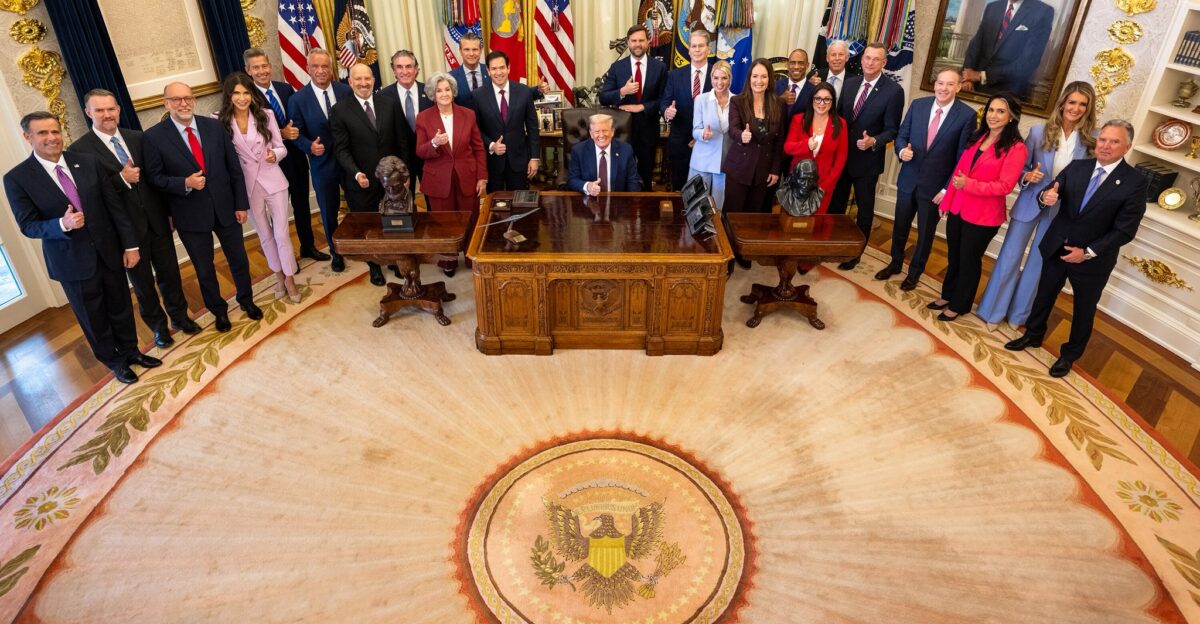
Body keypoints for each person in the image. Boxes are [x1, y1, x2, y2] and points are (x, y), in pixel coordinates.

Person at [5, 112, 161, 383]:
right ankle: (115, 362)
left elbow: (114, 206)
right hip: (71, 262)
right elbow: (28, 225)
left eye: (55, 131)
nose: (52, 138)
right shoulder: (17, 178)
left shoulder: (87, 162)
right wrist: (61, 224)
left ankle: (131, 352)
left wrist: (130, 245)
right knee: (93, 316)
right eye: (43, 133)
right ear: (28, 137)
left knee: (121, 306)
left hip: (109, 252)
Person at [1005, 120, 1146, 378]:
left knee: (1083, 310)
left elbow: (1125, 230)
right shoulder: (1078, 166)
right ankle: (1033, 334)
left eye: (1114, 141)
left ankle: (1069, 355)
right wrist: (1045, 196)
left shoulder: (1135, 182)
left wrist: (1088, 252)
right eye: (1103, 139)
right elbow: (1053, 189)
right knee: (1044, 295)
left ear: (1127, 147)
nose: (1105, 145)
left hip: (1092, 260)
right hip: (1058, 247)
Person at [71, 89, 201, 347]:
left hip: (157, 221)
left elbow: (156, 178)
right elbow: (91, 196)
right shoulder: (79, 151)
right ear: (88, 113)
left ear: (119, 110)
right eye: (100, 110)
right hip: (124, 232)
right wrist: (121, 179)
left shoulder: (139, 138)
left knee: (170, 273)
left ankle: (179, 317)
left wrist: (168, 213)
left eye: (111, 109)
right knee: (142, 284)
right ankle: (158, 327)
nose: (107, 114)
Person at [143, 82, 262, 332]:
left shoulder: (215, 126)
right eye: (177, 99)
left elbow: (234, 168)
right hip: (190, 215)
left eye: (188, 98)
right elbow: (154, 178)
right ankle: (219, 311)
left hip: (226, 208)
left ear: (194, 100)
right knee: (205, 269)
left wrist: (240, 204)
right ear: (166, 103)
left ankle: (247, 300)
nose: (183, 103)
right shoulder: (154, 137)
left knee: (239, 259)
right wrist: (184, 183)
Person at [977, 81, 1097, 330]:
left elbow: (1090, 179)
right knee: (1009, 258)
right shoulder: (1038, 132)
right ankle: (992, 312)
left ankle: (1018, 316)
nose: (1075, 108)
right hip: (1030, 203)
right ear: (1062, 103)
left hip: (1062, 211)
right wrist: (1027, 176)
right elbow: (1020, 168)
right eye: (1072, 102)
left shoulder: (1092, 140)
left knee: (1038, 264)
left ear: (1088, 108)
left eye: (1082, 104)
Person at [927, 92, 1027, 323]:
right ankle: (947, 295)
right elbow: (959, 171)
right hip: (958, 208)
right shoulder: (978, 136)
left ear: (1012, 117)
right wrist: (948, 200)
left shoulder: (1016, 148)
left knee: (969, 261)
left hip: (984, 216)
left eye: (1000, 111)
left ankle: (960, 304)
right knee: (954, 256)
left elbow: (1005, 186)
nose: (993, 115)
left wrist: (969, 184)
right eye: (991, 110)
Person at [875, 68, 976, 291]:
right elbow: (902, 136)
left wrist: (947, 189)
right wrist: (902, 151)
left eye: (949, 84)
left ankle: (914, 273)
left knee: (925, 235)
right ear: (935, 84)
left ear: (959, 87)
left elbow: (962, 159)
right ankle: (895, 263)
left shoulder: (966, 116)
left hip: (935, 189)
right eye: (940, 83)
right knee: (900, 226)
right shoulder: (918, 105)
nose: (943, 88)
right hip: (908, 180)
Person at [219, 72, 301, 304]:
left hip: (273, 180)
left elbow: (281, 147)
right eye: (236, 93)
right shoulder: (220, 121)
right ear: (229, 95)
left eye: (246, 92)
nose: (242, 98)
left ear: (252, 94)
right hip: (247, 186)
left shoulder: (266, 115)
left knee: (281, 233)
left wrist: (275, 154)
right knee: (264, 235)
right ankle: (278, 275)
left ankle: (290, 278)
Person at [244, 47, 329, 263]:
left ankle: (308, 246)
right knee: (279, 214)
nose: (262, 71)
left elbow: (297, 121)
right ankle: (285, 258)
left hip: (296, 157)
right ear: (248, 71)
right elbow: (250, 134)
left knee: (302, 205)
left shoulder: (285, 89)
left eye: (264, 66)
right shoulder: (247, 98)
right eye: (256, 68)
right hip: (271, 164)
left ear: (270, 66)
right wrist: (281, 134)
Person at [828, 42, 904, 270]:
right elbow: (839, 118)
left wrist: (874, 141)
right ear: (861, 60)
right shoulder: (850, 84)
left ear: (884, 63)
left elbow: (892, 130)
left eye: (876, 59)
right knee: (836, 205)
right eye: (867, 58)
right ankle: (832, 244)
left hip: (867, 162)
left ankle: (854, 254)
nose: (870, 63)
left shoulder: (893, 91)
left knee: (864, 210)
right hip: (843, 157)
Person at [330, 62, 408, 286]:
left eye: (367, 79)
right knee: (369, 226)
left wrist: (404, 173)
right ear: (350, 82)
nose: (363, 83)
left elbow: (401, 140)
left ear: (373, 80)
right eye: (358, 79)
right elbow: (341, 149)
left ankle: (394, 260)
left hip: (391, 181)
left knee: (393, 221)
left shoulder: (389, 103)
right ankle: (374, 265)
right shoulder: (340, 110)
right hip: (361, 182)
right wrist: (356, 174)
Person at [287, 49, 354, 272]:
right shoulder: (297, 99)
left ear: (331, 68)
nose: (321, 71)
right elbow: (296, 133)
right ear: (308, 69)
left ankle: (361, 246)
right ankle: (336, 253)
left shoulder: (345, 91)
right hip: (322, 164)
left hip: (350, 161)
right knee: (328, 210)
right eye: (315, 66)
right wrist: (309, 146)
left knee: (359, 205)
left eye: (325, 66)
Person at [415, 73, 487, 276]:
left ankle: (470, 255)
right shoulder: (423, 117)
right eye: (439, 90)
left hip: (467, 176)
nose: (444, 94)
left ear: (453, 91)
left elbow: (479, 148)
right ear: (433, 94)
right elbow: (420, 151)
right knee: (444, 222)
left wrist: (482, 177)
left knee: (470, 218)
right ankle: (448, 260)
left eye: (447, 89)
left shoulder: (468, 114)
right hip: (438, 179)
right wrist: (434, 143)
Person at [600, 24, 667, 189]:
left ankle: (645, 203)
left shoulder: (660, 68)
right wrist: (622, 91)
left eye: (641, 40)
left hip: (648, 130)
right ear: (628, 43)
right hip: (622, 131)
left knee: (645, 177)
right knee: (620, 177)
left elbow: (664, 99)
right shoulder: (617, 67)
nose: (638, 44)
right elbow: (603, 97)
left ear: (648, 42)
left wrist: (643, 107)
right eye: (634, 41)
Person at [722, 59, 785, 222]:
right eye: (755, 76)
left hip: (764, 172)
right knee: (732, 216)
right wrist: (742, 135)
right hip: (739, 169)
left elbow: (779, 140)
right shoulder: (737, 101)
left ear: (770, 79)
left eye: (764, 76)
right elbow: (733, 128)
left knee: (754, 218)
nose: (759, 81)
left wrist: (775, 170)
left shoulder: (779, 104)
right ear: (749, 78)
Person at [472, 51, 540, 192]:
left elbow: (532, 127)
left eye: (502, 67)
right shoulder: (478, 95)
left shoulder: (524, 91)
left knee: (519, 200)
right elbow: (476, 128)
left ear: (508, 68)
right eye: (494, 68)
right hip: (492, 163)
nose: (498, 72)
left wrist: (534, 157)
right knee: (495, 202)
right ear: (488, 71)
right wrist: (491, 145)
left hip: (519, 160)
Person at [962, 0, 1055, 98]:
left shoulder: (1043, 12)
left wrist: (981, 76)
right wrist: (967, 77)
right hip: (975, 87)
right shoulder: (992, 7)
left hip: (1009, 94)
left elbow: (1027, 64)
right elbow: (975, 45)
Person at [782, 81, 848, 217]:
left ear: (832, 102)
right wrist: (806, 145)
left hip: (823, 185)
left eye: (827, 99)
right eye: (818, 98)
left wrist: (825, 186)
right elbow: (788, 147)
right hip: (798, 183)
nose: (821, 103)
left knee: (816, 223)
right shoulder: (799, 119)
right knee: (792, 222)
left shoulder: (840, 124)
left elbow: (841, 160)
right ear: (812, 100)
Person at [660, 29, 713, 191]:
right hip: (680, 144)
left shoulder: (717, 75)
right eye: (693, 46)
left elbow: (722, 109)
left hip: (707, 143)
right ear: (689, 49)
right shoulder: (675, 75)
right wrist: (667, 112)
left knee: (703, 191)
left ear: (708, 48)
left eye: (701, 46)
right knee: (680, 189)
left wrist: (699, 137)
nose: (697, 50)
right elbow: (665, 102)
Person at [380, 50, 434, 196]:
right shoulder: (383, 97)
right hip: (399, 162)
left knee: (433, 200)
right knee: (403, 202)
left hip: (428, 159)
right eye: (399, 67)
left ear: (416, 69)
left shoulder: (430, 92)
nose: (404, 71)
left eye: (409, 66)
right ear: (393, 70)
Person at [689, 61, 733, 211]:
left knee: (719, 205)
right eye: (716, 78)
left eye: (724, 78)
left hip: (725, 160)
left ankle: (717, 227)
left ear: (730, 79)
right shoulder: (701, 99)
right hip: (703, 159)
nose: (719, 82)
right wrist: (703, 134)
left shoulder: (736, 100)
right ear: (711, 78)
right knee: (698, 204)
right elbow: (695, 130)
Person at [567, 113, 642, 194]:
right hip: (589, 199)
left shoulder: (626, 150)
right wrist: (588, 186)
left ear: (612, 132)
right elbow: (572, 180)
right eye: (597, 131)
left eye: (605, 130)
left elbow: (633, 180)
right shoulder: (578, 151)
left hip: (617, 199)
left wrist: (632, 198)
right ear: (591, 134)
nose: (601, 135)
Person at [793, 40, 854, 120]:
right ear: (827, 58)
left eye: (841, 54)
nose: (837, 58)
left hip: (840, 124)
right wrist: (808, 86)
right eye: (833, 55)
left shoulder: (854, 81)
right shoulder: (813, 76)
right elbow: (802, 102)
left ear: (847, 57)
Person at [449, 32, 485, 108]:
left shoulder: (491, 72)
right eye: (467, 49)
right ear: (460, 51)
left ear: (481, 50)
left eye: (475, 49)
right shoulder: (450, 77)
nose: (471, 54)